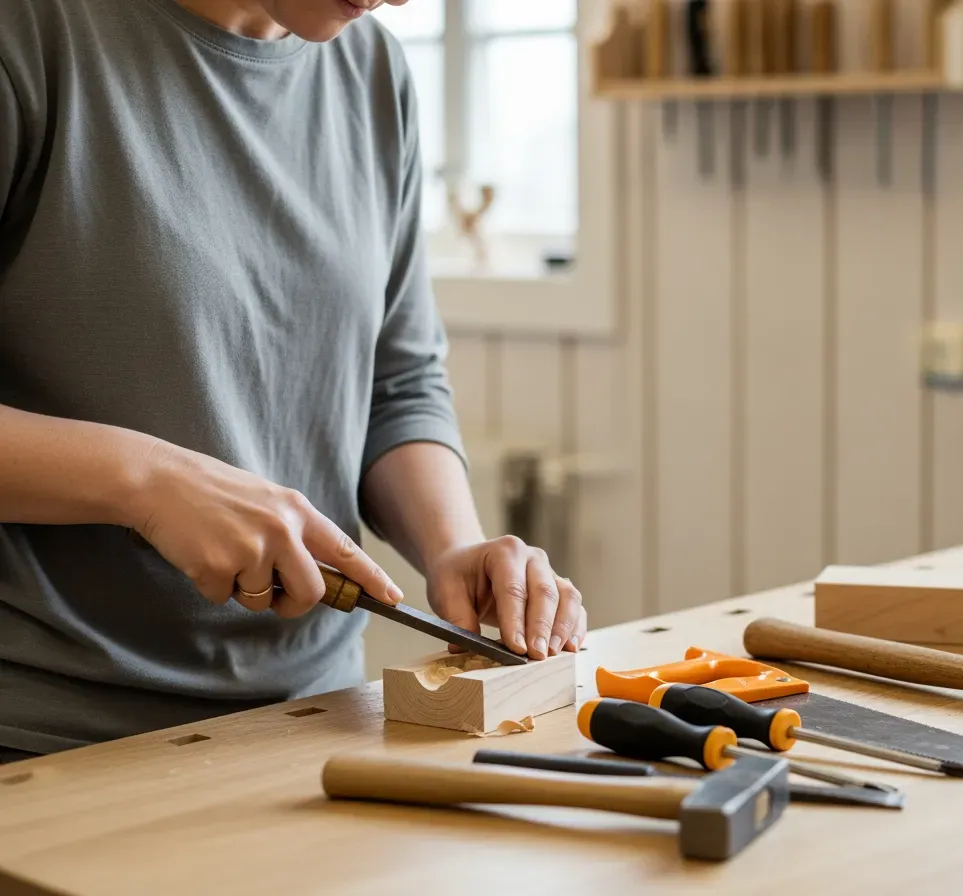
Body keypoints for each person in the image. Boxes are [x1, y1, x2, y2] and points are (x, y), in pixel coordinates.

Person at [0, 0, 586, 762]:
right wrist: (145, 482)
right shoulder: (31, 32)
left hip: (316, 723)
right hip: (46, 745)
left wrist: (452, 548)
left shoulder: (372, 70)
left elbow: (396, 381)